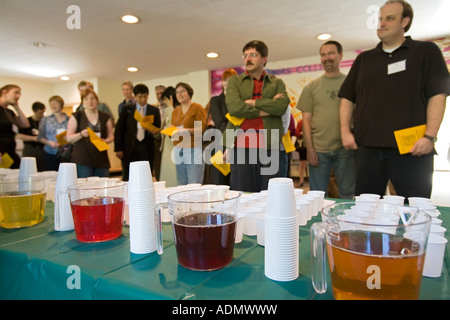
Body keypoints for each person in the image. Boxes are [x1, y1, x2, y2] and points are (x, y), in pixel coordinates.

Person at [339, 0, 450, 198]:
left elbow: (438, 95)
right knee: (366, 210)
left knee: (414, 210)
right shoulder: (364, 59)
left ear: (404, 21)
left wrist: (429, 137)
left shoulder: (426, 52)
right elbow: (347, 97)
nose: (381, 23)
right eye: (380, 19)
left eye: (389, 18)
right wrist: (345, 131)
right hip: (367, 149)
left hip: (412, 149)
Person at [224, 40, 290, 192]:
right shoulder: (235, 81)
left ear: (264, 59)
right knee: (244, 193)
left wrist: (252, 103)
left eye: (253, 55)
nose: (248, 59)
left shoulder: (277, 82)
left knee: (270, 193)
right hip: (242, 145)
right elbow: (234, 108)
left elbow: (281, 106)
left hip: (269, 144)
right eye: (245, 55)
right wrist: (268, 108)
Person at [297, 40, 355, 199]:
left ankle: (346, 223)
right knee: (316, 196)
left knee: (347, 194)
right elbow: (306, 122)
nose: (326, 57)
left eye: (331, 53)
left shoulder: (351, 83)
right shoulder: (311, 87)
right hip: (319, 150)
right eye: (323, 54)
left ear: (340, 55)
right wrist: (309, 148)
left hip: (346, 149)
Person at [114, 84, 161, 181]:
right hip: (130, 146)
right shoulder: (127, 109)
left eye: (145, 96)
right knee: (128, 175)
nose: (143, 99)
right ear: (135, 97)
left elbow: (158, 128)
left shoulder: (154, 110)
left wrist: (153, 130)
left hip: (147, 145)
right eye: (140, 97)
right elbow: (119, 129)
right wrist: (118, 148)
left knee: (146, 174)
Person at [66, 88, 114, 178]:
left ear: (97, 101)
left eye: (92, 98)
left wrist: (106, 140)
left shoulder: (105, 117)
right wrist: (81, 134)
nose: (90, 101)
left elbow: (111, 136)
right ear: (83, 102)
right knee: (85, 186)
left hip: (101, 158)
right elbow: (69, 138)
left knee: (102, 186)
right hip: (82, 158)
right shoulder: (76, 116)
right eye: (86, 99)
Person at [171, 82, 207, 185]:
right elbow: (174, 128)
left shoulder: (196, 108)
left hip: (193, 149)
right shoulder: (175, 111)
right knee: (181, 184)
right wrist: (170, 130)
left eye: (182, 91)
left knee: (194, 183)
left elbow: (202, 128)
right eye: (177, 92)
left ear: (189, 93)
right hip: (178, 149)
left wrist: (187, 130)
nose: (179, 94)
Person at [208, 68, 237, 185]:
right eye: (225, 80)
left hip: (237, 145)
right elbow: (220, 123)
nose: (228, 82)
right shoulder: (216, 100)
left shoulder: (238, 101)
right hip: (221, 145)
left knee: (236, 184)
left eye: (231, 80)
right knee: (220, 184)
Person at [0, 84, 30, 169]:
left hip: (10, 152)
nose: (18, 96)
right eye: (16, 92)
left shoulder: (10, 112)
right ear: (4, 92)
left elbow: (25, 125)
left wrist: (16, 106)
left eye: (19, 94)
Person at [38, 96, 70, 171]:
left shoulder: (70, 119)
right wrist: (49, 142)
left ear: (61, 104)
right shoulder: (45, 120)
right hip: (50, 151)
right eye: (51, 104)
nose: (53, 106)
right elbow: (40, 137)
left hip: (66, 152)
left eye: (55, 103)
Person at [158, 86, 179, 187]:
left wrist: (170, 107)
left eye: (165, 100)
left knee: (172, 174)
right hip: (167, 146)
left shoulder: (176, 110)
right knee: (166, 173)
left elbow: (174, 124)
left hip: (174, 146)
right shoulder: (168, 111)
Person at [17, 102, 46, 171]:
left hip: (42, 149)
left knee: (42, 169)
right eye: (40, 113)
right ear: (34, 111)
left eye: (43, 113)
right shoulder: (27, 122)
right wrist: (34, 138)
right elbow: (19, 135)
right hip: (30, 149)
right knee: (29, 169)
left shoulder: (45, 122)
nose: (42, 115)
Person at [152, 85, 166, 181]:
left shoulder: (171, 106)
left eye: (161, 93)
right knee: (157, 164)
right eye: (158, 93)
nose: (160, 95)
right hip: (157, 138)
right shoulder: (153, 108)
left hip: (167, 138)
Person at [294, 117, 307, 187]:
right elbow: (296, 132)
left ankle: (301, 181)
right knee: (302, 163)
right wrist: (302, 133)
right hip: (303, 146)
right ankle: (301, 181)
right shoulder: (301, 122)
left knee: (305, 163)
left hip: (309, 145)